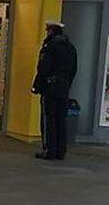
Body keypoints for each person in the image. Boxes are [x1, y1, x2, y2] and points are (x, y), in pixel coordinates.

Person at [32, 21, 78, 160]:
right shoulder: (71, 48)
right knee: (61, 118)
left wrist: (37, 85)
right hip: (64, 86)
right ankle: (60, 150)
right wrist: (67, 84)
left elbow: (43, 68)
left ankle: (49, 149)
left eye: (47, 30)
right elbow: (74, 69)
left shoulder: (49, 47)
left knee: (49, 118)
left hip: (50, 86)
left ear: (50, 31)